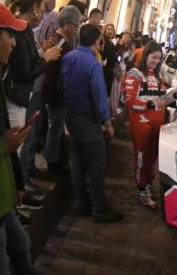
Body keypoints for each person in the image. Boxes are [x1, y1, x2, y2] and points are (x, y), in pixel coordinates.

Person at [0, 1, 35, 274]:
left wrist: (16, 181)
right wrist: (2, 146)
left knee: (21, 245)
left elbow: (2, 130)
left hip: (1, 199)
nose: (14, 44)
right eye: (10, 36)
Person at [60, 24, 122, 223]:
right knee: (96, 164)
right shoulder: (93, 64)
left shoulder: (68, 58)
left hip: (71, 115)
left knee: (77, 158)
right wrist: (107, 123)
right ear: (97, 41)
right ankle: (99, 208)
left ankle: (82, 202)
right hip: (87, 119)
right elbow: (99, 95)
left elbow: (61, 86)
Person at [6, 0, 60, 196]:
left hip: (22, 95)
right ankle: (16, 192)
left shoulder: (25, 29)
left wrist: (42, 52)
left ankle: (17, 190)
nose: (44, 10)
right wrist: (46, 59)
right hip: (16, 97)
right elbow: (24, 72)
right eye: (42, 5)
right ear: (36, 6)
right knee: (15, 147)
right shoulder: (19, 30)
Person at [124, 41, 177, 208]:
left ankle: (147, 183)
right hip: (141, 124)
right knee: (141, 157)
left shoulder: (156, 77)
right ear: (145, 56)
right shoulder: (135, 74)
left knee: (152, 157)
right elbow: (130, 102)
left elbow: (163, 100)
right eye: (153, 57)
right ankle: (142, 190)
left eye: (159, 58)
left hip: (157, 124)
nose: (156, 61)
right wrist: (150, 104)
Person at [41, 5, 82, 175]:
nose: (76, 29)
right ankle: (52, 160)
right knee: (55, 127)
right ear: (66, 23)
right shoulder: (59, 40)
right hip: (55, 89)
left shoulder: (62, 39)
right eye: (75, 25)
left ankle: (55, 156)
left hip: (57, 88)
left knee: (56, 126)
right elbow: (53, 65)